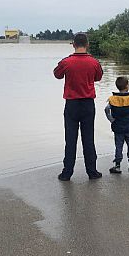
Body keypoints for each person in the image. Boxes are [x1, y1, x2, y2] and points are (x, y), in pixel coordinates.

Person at [53, 33, 104, 181]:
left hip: (72, 105)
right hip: (88, 104)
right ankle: (92, 171)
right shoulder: (94, 62)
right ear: (87, 44)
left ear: (73, 44)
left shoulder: (66, 62)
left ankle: (67, 173)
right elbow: (98, 77)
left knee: (70, 139)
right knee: (88, 139)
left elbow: (57, 75)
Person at [104, 76, 129, 174]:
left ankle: (117, 165)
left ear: (117, 87)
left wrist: (111, 119)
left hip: (117, 126)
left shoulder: (113, 99)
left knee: (118, 146)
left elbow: (106, 109)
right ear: (127, 86)